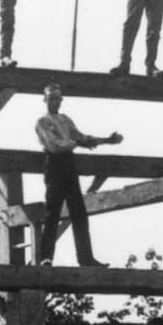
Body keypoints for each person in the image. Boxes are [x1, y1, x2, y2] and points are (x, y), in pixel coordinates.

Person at [34, 84, 122, 267]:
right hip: (55, 164)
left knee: (79, 213)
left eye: (58, 98)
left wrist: (107, 140)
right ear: (45, 100)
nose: (55, 102)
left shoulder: (65, 119)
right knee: (52, 212)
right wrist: (77, 142)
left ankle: (86, 258)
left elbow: (82, 137)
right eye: (52, 98)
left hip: (69, 164)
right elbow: (56, 145)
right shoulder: (43, 121)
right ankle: (46, 257)